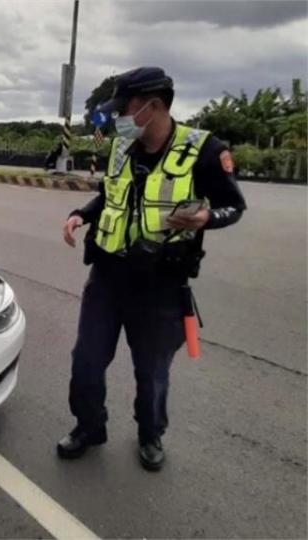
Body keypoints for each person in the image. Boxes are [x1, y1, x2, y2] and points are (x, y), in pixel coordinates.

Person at [59, 67, 247, 471]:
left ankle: (150, 434)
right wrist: (81, 214)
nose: (118, 118)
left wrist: (207, 218)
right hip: (107, 278)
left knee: (152, 371)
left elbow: (235, 206)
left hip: (161, 283)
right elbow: (110, 196)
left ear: (153, 105)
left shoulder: (205, 150)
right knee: (86, 359)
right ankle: (89, 427)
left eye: (124, 108)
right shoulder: (122, 146)